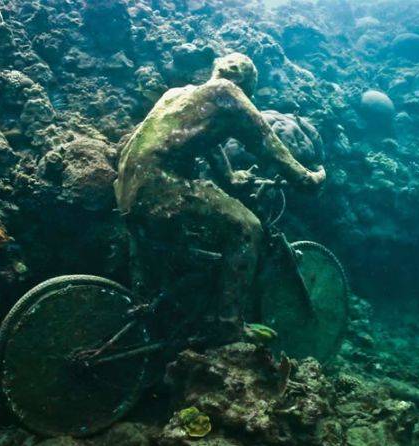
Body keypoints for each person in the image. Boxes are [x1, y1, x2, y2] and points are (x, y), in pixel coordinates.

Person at [114, 53, 325, 340]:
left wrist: (230, 177)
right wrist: (309, 179)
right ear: (241, 79)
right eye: (249, 90)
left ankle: (149, 319)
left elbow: (206, 142)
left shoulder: (179, 94)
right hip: (161, 186)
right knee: (247, 228)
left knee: (163, 259)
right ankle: (228, 325)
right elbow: (267, 143)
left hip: (127, 187)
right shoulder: (229, 93)